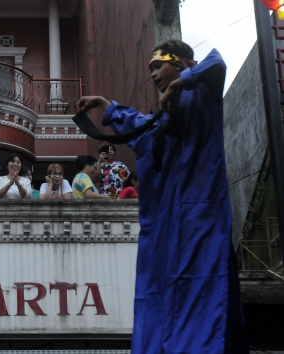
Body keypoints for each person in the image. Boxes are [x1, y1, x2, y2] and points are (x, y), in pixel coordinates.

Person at [76, 39, 247, 353]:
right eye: (151, 69)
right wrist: (104, 104)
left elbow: (216, 62)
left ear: (180, 61)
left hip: (201, 214)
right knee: (162, 291)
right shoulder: (166, 117)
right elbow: (141, 129)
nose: (153, 74)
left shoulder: (203, 93)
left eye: (159, 65)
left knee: (203, 287)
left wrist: (181, 83)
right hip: (169, 223)